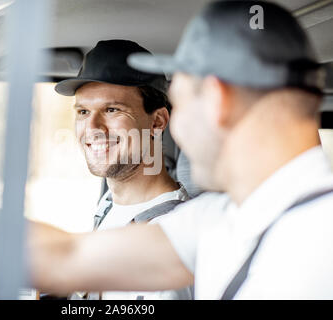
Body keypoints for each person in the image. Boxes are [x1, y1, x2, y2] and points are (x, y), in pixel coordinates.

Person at [27, 1, 333, 299]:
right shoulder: (220, 217)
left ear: (217, 100)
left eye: (182, 101)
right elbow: (65, 257)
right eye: (82, 112)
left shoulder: (318, 242)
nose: (179, 130)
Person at [53, 39, 191, 300]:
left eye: (112, 109)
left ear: (157, 121)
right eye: (83, 111)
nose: (92, 127)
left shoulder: (171, 236)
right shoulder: (108, 205)